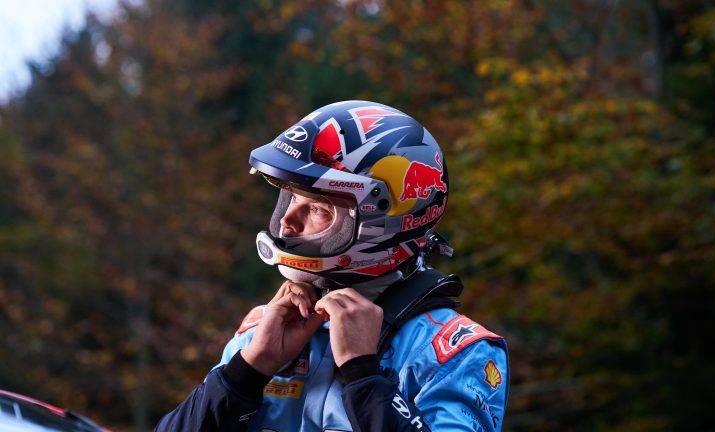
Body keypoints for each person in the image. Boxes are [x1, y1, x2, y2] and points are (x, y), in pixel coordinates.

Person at [156, 100, 509, 431]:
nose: (286, 223)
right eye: (291, 198)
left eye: (317, 208)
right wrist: (246, 372)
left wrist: (364, 376)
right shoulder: (264, 330)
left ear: (380, 220)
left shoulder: (455, 351)